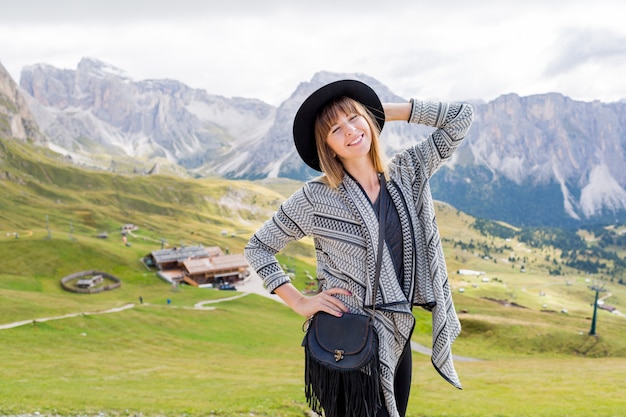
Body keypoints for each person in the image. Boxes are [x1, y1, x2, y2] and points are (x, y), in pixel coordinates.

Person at [244, 79, 474, 417]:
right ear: (328, 147)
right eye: (336, 129)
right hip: (348, 337)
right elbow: (259, 247)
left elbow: (460, 118)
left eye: (354, 118)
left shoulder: (407, 172)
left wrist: (381, 111)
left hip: (398, 332)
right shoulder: (315, 198)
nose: (350, 131)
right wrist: (299, 301)